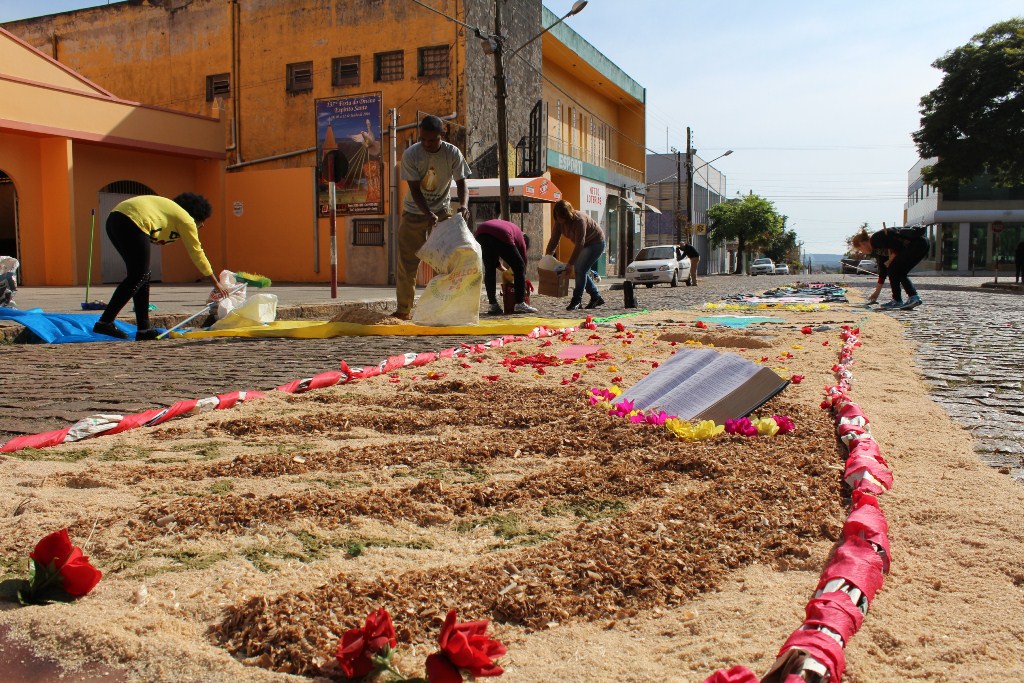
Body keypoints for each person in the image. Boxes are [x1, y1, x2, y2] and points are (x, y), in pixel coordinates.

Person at [93, 193, 228, 341]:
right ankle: (105, 322)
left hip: (115, 219)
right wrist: (215, 283)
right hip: (132, 221)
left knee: (142, 275)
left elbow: (161, 233)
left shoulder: (172, 212)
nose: (203, 225)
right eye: (203, 221)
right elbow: (197, 253)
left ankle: (143, 330)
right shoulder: (187, 220)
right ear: (196, 215)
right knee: (140, 274)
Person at [393, 115, 471, 320]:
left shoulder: (452, 153)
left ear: (442, 135)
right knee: (407, 264)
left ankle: (440, 310)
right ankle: (403, 309)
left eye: (432, 140)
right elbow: (414, 189)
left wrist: (463, 206)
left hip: (442, 212)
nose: (427, 144)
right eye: (423, 140)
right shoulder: (411, 154)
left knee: (443, 263)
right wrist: (428, 214)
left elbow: (462, 183)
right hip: (414, 212)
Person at [545, 199, 606, 310]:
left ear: (568, 214)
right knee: (581, 271)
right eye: (557, 216)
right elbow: (554, 240)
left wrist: (570, 264)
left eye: (562, 216)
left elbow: (580, 243)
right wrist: (547, 257)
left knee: (580, 270)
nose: (559, 219)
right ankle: (596, 296)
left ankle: (577, 300)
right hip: (584, 245)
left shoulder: (579, 220)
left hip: (596, 243)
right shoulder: (558, 223)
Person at [851, 225, 928, 310]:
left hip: (916, 244)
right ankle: (903, 299)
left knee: (895, 270)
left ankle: (906, 298)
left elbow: (899, 246)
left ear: (862, 244)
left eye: (860, 249)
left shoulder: (876, 239)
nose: (862, 252)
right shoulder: (877, 250)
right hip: (923, 244)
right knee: (896, 271)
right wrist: (876, 293)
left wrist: (890, 260)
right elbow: (883, 271)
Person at [474, 219, 537, 315]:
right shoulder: (521, 238)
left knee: (490, 269)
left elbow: (495, 262)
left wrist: (506, 271)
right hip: (501, 233)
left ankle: (493, 305)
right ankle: (520, 303)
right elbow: (522, 263)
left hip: (481, 232)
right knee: (519, 266)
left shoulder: (511, 229)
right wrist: (522, 280)